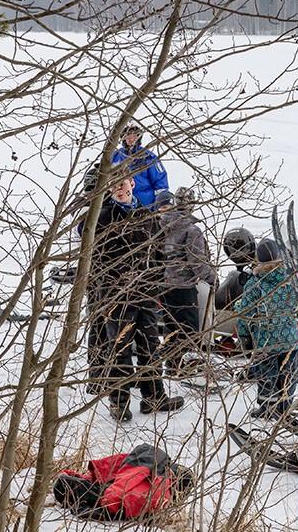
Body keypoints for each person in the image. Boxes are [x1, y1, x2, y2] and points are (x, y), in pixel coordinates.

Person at [92, 174, 184, 422]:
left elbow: (158, 251)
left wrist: (154, 280)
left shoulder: (145, 215)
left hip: (145, 294)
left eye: (122, 185)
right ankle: (119, 403)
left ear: (132, 184)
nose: (118, 190)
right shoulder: (104, 217)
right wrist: (119, 279)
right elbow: (98, 259)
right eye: (113, 186)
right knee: (119, 349)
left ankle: (153, 397)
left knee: (150, 346)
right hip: (118, 297)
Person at [234, 239, 298, 418]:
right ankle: (285, 406)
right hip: (289, 338)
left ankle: (268, 409)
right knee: (288, 373)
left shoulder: (254, 283)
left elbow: (244, 314)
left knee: (266, 376)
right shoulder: (292, 279)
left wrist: (244, 337)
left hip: (265, 340)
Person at [156, 189, 216, 375]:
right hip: (185, 286)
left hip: (164, 286)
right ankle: (187, 368)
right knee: (189, 330)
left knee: (171, 327)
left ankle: (172, 366)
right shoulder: (190, 229)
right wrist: (211, 278)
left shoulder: (156, 228)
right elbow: (197, 260)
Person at [111, 125, 169, 208]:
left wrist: (160, 202)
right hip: (121, 202)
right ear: (123, 138)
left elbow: (160, 180)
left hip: (146, 203)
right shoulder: (116, 156)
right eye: (128, 136)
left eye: (134, 136)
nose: (131, 139)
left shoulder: (148, 157)